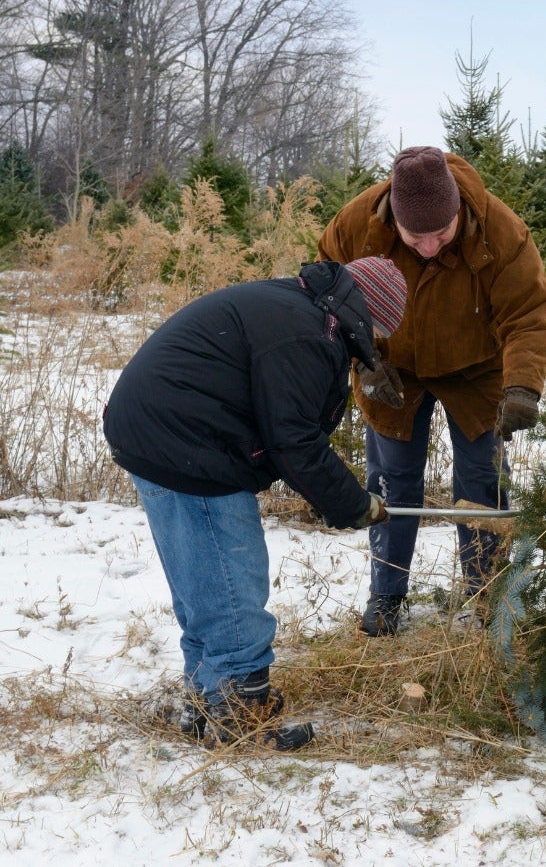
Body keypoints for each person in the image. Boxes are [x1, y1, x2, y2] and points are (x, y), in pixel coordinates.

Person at [102, 256, 409, 749]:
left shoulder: (299, 308)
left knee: (202, 581)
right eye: (376, 331)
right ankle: (240, 713)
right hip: (188, 443)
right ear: (367, 313)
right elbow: (294, 439)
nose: (371, 342)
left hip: (154, 429)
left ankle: (205, 703)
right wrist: (353, 504)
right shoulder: (311, 334)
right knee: (230, 581)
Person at [318, 145, 546, 636]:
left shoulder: (500, 230)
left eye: (441, 234)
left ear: (459, 213)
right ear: (394, 219)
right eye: (415, 237)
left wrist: (522, 387)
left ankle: (486, 596)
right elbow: (324, 297)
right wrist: (364, 362)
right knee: (392, 478)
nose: (429, 247)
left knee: (482, 477)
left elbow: (530, 314)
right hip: (390, 366)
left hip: (476, 368)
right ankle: (386, 593)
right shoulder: (356, 225)